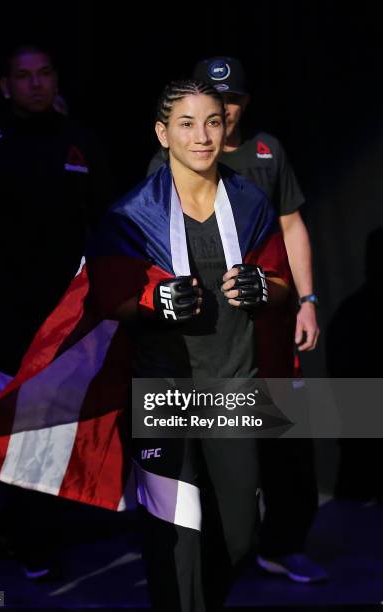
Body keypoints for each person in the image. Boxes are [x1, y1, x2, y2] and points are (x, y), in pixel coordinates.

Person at [0, 78, 292, 611]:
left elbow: (282, 281)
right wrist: (154, 302)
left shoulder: (249, 203)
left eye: (212, 122)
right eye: (186, 124)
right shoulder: (131, 213)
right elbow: (107, 301)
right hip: (162, 393)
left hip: (233, 390)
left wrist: (267, 288)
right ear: (162, 134)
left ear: (226, 129)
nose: (201, 136)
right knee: (174, 536)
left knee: (239, 534)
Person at [149, 56, 326, 583]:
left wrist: (308, 300)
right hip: (203, 336)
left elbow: (292, 226)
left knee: (285, 436)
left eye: (233, 101)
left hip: (267, 329)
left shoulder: (266, 152)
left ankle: (284, 543)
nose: (224, 111)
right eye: (213, 101)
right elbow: (146, 241)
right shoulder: (169, 159)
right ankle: (204, 553)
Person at [0, 42, 110, 579]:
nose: (35, 83)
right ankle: (31, 540)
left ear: (56, 80)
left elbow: (107, 225)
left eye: (43, 74)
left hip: (69, 314)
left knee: (56, 431)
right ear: (5, 86)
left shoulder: (81, 144)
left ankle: (23, 525)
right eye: (23, 76)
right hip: (1, 317)